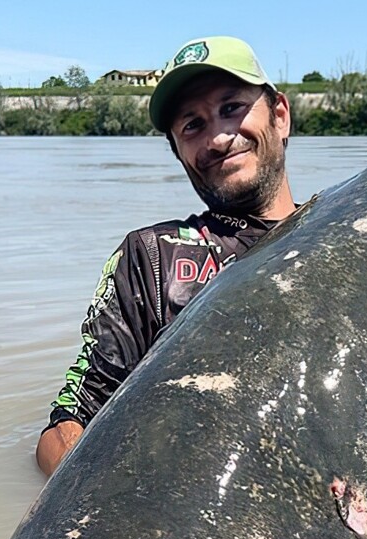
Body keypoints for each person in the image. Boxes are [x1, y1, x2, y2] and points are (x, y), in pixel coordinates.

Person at [36, 37, 295, 476]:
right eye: (192, 125)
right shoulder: (151, 258)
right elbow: (67, 423)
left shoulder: (350, 233)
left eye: (231, 107)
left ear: (280, 115)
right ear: (179, 153)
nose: (217, 137)